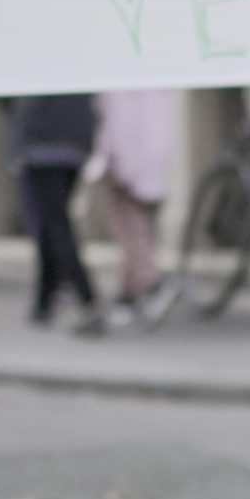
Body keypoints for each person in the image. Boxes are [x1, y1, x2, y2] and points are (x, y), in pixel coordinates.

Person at [10, 92, 102, 336]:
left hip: (41, 142)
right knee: (50, 223)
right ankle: (44, 301)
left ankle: (88, 300)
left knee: (55, 223)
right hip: (75, 139)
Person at [90, 88, 179, 323]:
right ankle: (128, 296)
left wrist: (119, 163)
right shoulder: (158, 87)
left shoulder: (126, 85)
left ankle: (151, 285)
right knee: (139, 230)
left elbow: (122, 122)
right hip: (150, 163)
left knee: (131, 232)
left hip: (129, 163)